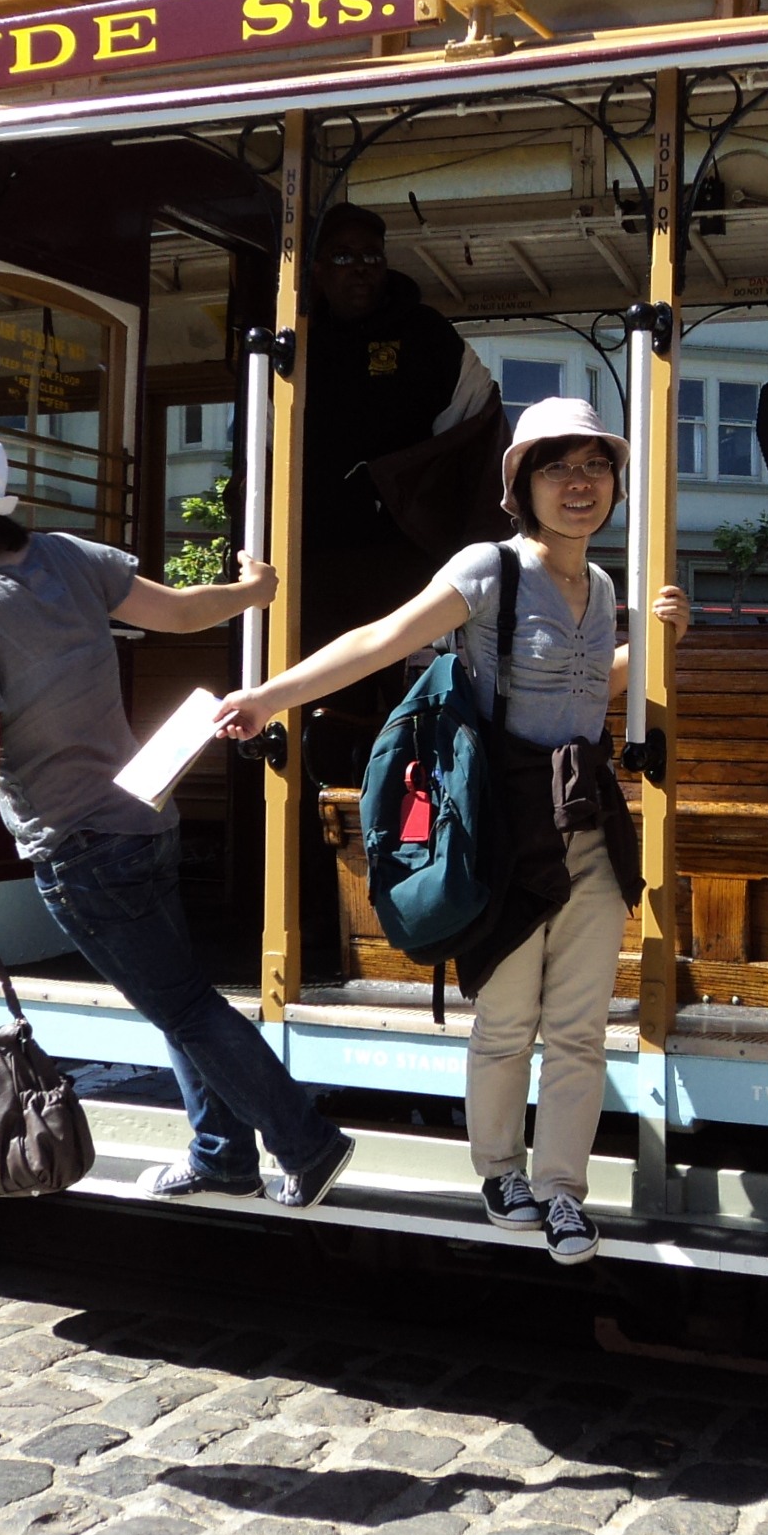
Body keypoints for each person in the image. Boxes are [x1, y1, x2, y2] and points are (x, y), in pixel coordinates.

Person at [219, 398, 687, 1266]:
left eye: (595, 465)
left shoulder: (603, 587)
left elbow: (587, 688)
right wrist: (268, 697)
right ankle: (501, 1173)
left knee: (580, 1028)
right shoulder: (488, 570)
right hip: (505, 831)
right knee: (507, 1020)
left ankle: (563, 1191)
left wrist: (662, 643)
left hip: (586, 823)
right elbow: (381, 638)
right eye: (556, 465)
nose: (579, 482)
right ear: (522, 484)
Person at [0, 420, 354, 1209]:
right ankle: (221, 1155)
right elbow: (184, 613)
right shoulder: (66, 556)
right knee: (177, 999)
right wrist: (254, 593)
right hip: (142, 819)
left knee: (184, 1004)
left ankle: (307, 1142)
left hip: (79, 846)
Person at [295, 201, 508, 971]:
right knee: (312, 734)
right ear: (316, 270)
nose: (360, 270)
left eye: (371, 255)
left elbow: (481, 425)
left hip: (403, 569)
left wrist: (409, 495)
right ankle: (313, 910)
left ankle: (414, 905)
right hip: (309, 571)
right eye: (343, 257)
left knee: (406, 735)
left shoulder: (426, 337)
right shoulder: (295, 337)